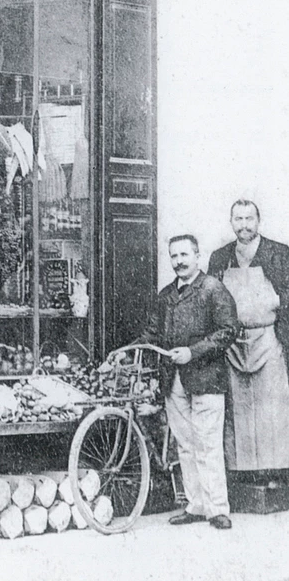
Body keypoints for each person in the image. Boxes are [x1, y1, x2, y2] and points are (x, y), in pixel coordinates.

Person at [111, 234, 238, 530]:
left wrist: (192, 352)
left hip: (206, 380)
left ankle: (217, 508)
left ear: (197, 255)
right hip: (174, 381)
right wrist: (126, 350)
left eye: (184, 255)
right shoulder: (166, 295)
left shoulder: (213, 289)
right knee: (185, 445)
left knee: (207, 444)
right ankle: (195, 505)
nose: (178, 261)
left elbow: (228, 331)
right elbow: (152, 334)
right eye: (173, 256)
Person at [208, 200, 289, 476]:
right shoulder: (220, 258)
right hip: (233, 347)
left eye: (249, 218)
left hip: (268, 342)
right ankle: (241, 476)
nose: (244, 225)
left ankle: (276, 475)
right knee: (237, 413)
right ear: (231, 222)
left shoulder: (280, 254)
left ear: (259, 221)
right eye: (238, 219)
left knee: (273, 411)